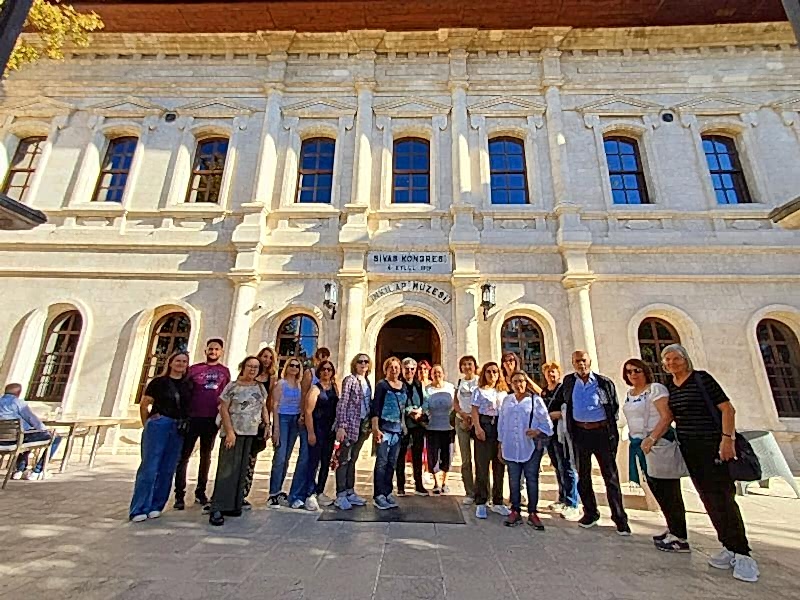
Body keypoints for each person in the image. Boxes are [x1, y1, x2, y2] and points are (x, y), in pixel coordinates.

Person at [661, 344, 759, 582]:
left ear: (685, 360)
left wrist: (728, 439)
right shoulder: (670, 387)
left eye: (676, 359)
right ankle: (727, 545)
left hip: (715, 447)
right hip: (691, 450)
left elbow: (727, 409)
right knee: (708, 498)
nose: (672, 363)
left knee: (724, 497)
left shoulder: (702, 379)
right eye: (667, 360)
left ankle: (743, 554)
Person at [554, 350, 630, 535]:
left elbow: (613, 406)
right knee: (584, 475)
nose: (581, 364)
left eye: (583, 361)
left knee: (610, 477)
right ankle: (590, 512)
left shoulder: (603, 382)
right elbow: (557, 402)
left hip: (602, 433)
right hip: (580, 433)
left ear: (590, 361)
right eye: (577, 361)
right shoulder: (569, 382)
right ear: (573, 363)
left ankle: (619, 518)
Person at [622, 358, 688, 553]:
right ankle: (672, 529)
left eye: (637, 370)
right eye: (629, 372)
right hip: (641, 446)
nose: (633, 374)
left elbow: (666, 416)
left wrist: (652, 438)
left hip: (658, 445)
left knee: (669, 491)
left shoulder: (655, 389)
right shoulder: (631, 394)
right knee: (656, 488)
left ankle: (680, 536)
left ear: (645, 371)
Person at [129, 351, 192, 522]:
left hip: (177, 427)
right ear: (170, 363)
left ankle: (156, 505)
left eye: (184, 361)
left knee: (168, 467)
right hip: (159, 424)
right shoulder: (158, 382)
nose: (181, 364)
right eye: (178, 361)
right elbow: (145, 404)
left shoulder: (188, 384)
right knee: (150, 466)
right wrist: (148, 424)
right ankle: (139, 508)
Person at [208, 356, 270, 526]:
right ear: (243, 367)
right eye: (250, 366)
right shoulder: (233, 386)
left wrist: (267, 424)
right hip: (233, 432)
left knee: (242, 469)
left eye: (256, 367)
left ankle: (234, 504)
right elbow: (224, 409)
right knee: (226, 470)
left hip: (251, 432)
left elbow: (263, 406)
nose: (252, 370)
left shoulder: (259, 387)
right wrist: (229, 432)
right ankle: (217, 507)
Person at [173, 338, 231, 510]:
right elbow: (184, 391)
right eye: (210, 349)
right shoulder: (194, 370)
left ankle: (200, 491)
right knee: (184, 456)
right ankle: (179, 494)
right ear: (205, 351)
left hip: (211, 418)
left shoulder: (224, 372)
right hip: (192, 417)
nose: (213, 352)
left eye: (216, 349)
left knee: (206, 456)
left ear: (221, 352)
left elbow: (226, 395)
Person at [498, 370, 553, 529]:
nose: (518, 384)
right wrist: (500, 445)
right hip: (510, 446)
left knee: (532, 479)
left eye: (521, 381)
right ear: (510, 383)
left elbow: (547, 424)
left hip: (529, 447)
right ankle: (515, 510)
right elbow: (502, 423)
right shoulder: (507, 400)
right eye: (515, 381)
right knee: (513, 480)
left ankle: (533, 512)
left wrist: (537, 431)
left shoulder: (535, 401)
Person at [288, 359, 339, 511]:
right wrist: (310, 432)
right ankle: (309, 492)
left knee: (326, 462)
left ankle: (320, 491)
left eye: (329, 369)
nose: (326, 372)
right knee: (313, 462)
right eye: (324, 369)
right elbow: (308, 412)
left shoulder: (334, 388)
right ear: (319, 372)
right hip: (317, 429)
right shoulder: (315, 389)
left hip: (330, 430)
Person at [541, 361, 580, 521]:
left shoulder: (564, 389)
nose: (551, 375)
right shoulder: (544, 392)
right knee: (557, 465)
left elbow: (571, 408)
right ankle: (562, 497)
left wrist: (559, 414)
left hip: (562, 431)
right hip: (550, 432)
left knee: (567, 465)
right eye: (548, 372)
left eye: (553, 372)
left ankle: (573, 503)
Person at [333, 353, 372, 510]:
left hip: (362, 425)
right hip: (350, 424)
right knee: (344, 459)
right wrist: (341, 425)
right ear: (355, 364)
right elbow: (343, 403)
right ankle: (340, 494)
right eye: (360, 362)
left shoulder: (367, 381)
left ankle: (350, 491)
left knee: (353, 458)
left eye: (366, 362)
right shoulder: (350, 380)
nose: (363, 364)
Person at [471, 361, 509, 519]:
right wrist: (478, 428)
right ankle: (481, 501)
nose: (492, 374)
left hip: (499, 426)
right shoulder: (478, 391)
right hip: (485, 426)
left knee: (499, 464)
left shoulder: (503, 392)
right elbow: (474, 411)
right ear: (484, 374)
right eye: (488, 372)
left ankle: (498, 501)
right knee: (482, 465)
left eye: (495, 372)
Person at [0, 383, 61, 480]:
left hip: (2, 440)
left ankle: (19, 470)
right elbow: (31, 419)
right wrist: (45, 430)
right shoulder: (18, 403)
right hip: (18, 438)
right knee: (55, 438)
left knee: (24, 436)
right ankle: (37, 471)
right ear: (19, 393)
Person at [242, 346, 278, 508]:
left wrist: (267, 422)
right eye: (264, 356)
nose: (267, 360)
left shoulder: (271, 378)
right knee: (238, 459)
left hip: (258, 422)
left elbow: (269, 401)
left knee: (251, 459)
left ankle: (243, 493)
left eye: (270, 358)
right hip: (242, 420)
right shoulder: (247, 375)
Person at [371, 356, 408, 510]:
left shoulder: (403, 386)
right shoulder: (382, 386)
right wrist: (375, 428)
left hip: (397, 430)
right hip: (384, 429)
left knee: (392, 462)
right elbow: (376, 407)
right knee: (381, 462)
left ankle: (387, 492)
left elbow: (405, 408)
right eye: (391, 367)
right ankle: (378, 495)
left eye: (396, 367)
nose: (394, 370)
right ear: (386, 369)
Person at [267, 357, 304, 507]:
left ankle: (279, 489)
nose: (294, 368)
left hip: (294, 420)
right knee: (280, 457)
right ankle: (273, 493)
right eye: (292, 365)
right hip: (282, 419)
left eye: (297, 366)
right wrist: (275, 427)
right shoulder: (280, 384)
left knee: (287, 457)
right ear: (287, 367)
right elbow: (274, 405)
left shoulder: (300, 385)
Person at [396, 357, 426, 496]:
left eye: (412, 369)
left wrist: (419, 411)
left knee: (417, 455)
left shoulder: (418, 384)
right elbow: (399, 402)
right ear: (402, 369)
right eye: (407, 369)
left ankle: (418, 484)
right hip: (403, 424)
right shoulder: (399, 384)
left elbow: (425, 400)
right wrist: (409, 411)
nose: (409, 371)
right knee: (400, 455)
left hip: (417, 424)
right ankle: (401, 486)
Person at [424, 365, 455, 494]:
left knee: (448, 455)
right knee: (433, 455)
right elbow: (424, 406)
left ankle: (445, 482)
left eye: (439, 372)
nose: (437, 375)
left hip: (448, 427)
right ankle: (436, 483)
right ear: (431, 375)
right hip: (432, 427)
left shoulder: (451, 388)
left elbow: (456, 405)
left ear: (444, 373)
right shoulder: (427, 389)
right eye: (434, 373)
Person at [453, 355, 478, 505]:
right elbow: (455, 402)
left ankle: (483, 491)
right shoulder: (459, 382)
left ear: (475, 366)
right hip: (461, 421)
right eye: (464, 364)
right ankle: (469, 491)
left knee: (481, 460)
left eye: (470, 364)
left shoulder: (480, 381)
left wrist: (473, 418)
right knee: (465, 459)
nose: (467, 367)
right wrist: (462, 414)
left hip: (477, 422)